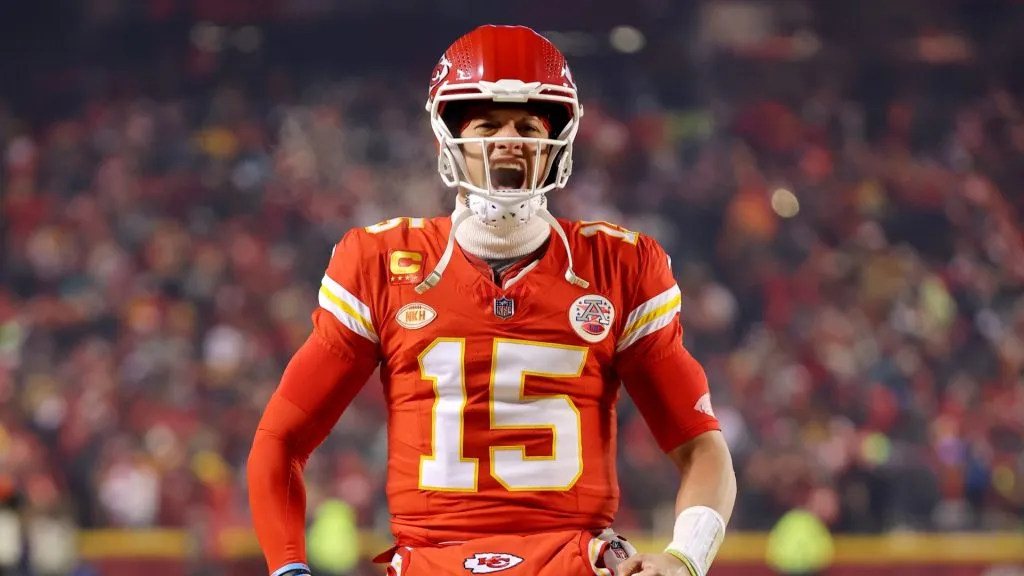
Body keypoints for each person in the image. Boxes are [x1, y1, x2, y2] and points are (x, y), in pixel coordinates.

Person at [247, 24, 736, 576]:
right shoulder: (381, 262)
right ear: (449, 138)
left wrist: (684, 558)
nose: (510, 141)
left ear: (559, 141)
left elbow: (700, 447)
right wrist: (288, 568)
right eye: (488, 125)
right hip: (429, 562)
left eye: (528, 125)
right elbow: (281, 438)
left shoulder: (620, 266)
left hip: (576, 563)